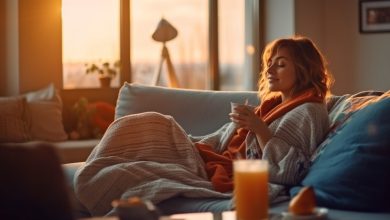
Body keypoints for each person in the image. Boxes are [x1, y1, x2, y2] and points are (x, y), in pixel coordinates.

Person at [74, 35, 333, 216]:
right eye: (269, 63)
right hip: (209, 158)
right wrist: (187, 142)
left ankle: (93, 180)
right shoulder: (270, 105)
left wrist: (259, 129)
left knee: (146, 136)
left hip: (229, 171)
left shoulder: (309, 111)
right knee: (143, 125)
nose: (269, 70)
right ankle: (94, 173)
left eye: (281, 64)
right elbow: (220, 138)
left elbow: (291, 170)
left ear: (303, 69)